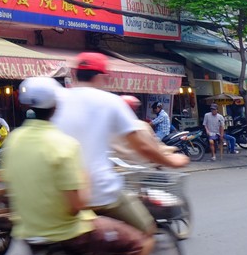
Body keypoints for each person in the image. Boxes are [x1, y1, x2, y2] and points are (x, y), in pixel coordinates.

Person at [2, 77, 147, 255]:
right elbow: (76, 206)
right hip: (68, 231)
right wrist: (86, 182)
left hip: (28, 230)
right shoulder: (64, 145)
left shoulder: (12, 141)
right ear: (56, 107)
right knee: (137, 244)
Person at [53, 52, 187, 239]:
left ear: (75, 75)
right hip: (98, 190)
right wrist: (172, 161)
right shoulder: (110, 102)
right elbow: (143, 147)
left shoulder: (57, 100)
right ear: (101, 77)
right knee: (146, 233)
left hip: (60, 193)